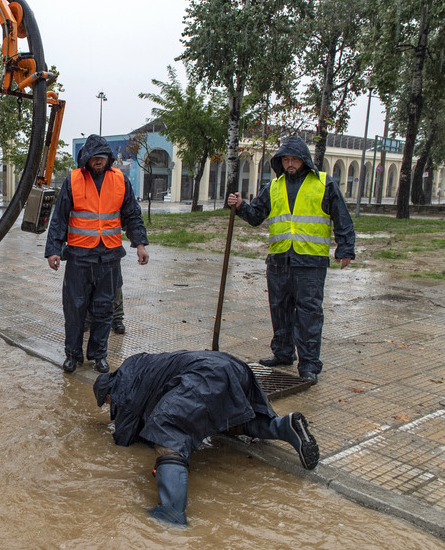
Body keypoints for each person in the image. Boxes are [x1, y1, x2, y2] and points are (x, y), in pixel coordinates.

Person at [93, 350, 320, 526]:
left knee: (166, 427)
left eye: (108, 402)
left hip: (204, 376)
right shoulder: (138, 365)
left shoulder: (123, 383)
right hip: (232, 366)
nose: (111, 406)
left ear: (109, 392)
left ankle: (170, 512)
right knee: (235, 419)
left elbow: (125, 436)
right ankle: (286, 426)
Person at [227, 135, 356, 385]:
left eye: (294, 159)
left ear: (304, 160)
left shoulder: (323, 183)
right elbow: (256, 216)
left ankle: (308, 364)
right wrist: (242, 206)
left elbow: (342, 217)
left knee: (308, 313)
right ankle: (283, 353)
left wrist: (345, 248)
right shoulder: (274, 186)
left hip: (311, 261)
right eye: (285, 159)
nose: (289, 164)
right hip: (278, 259)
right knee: (280, 309)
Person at [45, 135, 148, 373]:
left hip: (109, 257)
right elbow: (59, 217)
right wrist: (53, 250)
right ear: (86, 159)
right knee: (74, 309)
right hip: (79, 257)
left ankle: (98, 355)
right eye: (94, 157)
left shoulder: (120, 180)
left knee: (104, 309)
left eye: (102, 157)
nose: (98, 161)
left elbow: (132, 214)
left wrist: (140, 243)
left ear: (108, 158)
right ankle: (73, 355)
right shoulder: (73, 180)